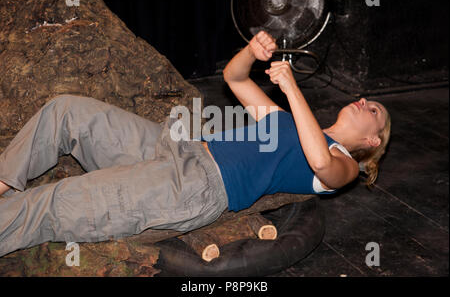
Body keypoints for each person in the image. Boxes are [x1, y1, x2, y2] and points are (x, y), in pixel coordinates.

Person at [0, 31, 391, 257]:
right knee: (67, 110)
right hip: (175, 147)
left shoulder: (346, 165)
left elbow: (320, 163)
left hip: (192, 187)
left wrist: (290, 88)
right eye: (365, 99)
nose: (364, 102)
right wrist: (250, 52)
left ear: (372, 141)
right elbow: (235, 78)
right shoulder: (284, 121)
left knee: (55, 203)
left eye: (374, 110)